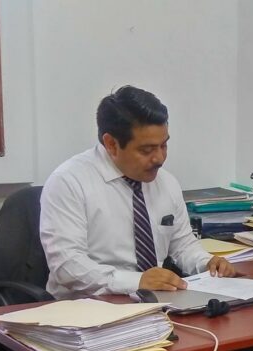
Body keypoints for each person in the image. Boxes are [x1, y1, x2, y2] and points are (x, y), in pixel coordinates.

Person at [40, 85, 234, 298]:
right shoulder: (69, 182)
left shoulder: (166, 183)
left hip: (156, 304)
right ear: (111, 144)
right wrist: (135, 282)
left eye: (164, 145)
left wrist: (207, 263)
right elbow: (67, 267)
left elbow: (182, 246)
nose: (159, 158)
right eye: (147, 150)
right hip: (87, 311)